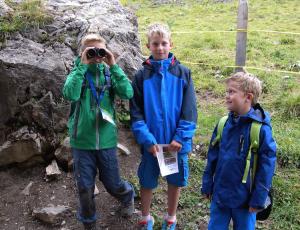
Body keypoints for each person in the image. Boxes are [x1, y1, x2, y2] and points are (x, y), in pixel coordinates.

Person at [63, 34, 135, 230]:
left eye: (100, 51)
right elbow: (70, 93)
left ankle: (128, 196)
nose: (96, 55)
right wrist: (81, 67)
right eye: (91, 51)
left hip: (106, 140)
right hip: (82, 141)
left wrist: (114, 66)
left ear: (106, 52)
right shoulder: (78, 72)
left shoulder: (109, 73)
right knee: (84, 187)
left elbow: (127, 93)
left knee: (112, 183)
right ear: (83, 53)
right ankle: (89, 222)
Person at [130, 23, 198, 230]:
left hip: (175, 145)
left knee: (175, 180)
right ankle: (146, 217)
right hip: (152, 145)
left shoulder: (183, 73)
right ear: (148, 45)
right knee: (147, 180)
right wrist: (147, 141)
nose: (160, 48)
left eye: (164, 43)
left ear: (171, 44)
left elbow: (190, 111)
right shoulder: (141, 76)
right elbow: (136, 113)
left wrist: (180, 138)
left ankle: (171, 217)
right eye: (155, 44)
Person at [201, 72, 276, 230]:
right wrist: (207, 183)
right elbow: (212, 157)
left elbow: (266, 167)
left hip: (246, 201)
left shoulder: (260, 130)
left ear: (248, 97)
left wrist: (259, 198)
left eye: (232, 92)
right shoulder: (223, 124)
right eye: (227, 91)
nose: (227, 96)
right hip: (220, 195)